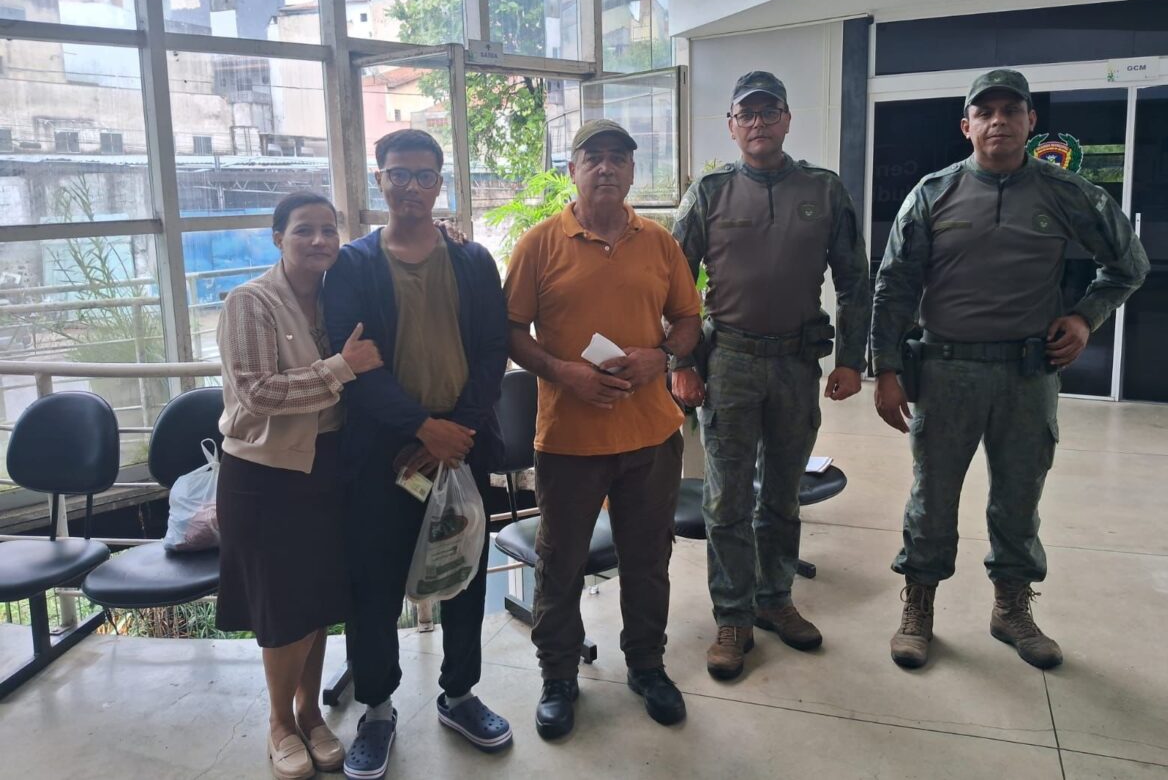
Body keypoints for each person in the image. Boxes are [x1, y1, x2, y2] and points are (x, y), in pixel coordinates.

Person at [872, 68, 1149, 670]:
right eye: (986, 111)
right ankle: (919, 605)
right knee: (931, 497)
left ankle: (1011, 608)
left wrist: (1084, 318)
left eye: (1011, 110)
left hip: (1028, 374)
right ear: (966, 125)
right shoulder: (933, 193)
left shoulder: (1066, 192)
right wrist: (885, 369)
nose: (998, 121)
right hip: (946, 372)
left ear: (1031, 121)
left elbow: (1128, 264)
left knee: (1020, 498)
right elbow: (894, 286)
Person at [322, 129, 512, 779]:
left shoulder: (472, 260)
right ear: (379, 179)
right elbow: (355, 363)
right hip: (385, 455)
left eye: (424, 175)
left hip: (462, 449)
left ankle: (459, 696)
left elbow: (493, 350)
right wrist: (422, 428)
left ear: (440, 182)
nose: (411, 186)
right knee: (373, 583)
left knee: (462, 571)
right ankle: (377, 710)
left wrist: (457, 429)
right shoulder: (354, 266)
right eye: (398, 174)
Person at [505, 118, 702, 739]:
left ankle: (647, 665)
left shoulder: (660, 243)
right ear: (573, 170)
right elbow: (509, 332)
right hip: (569, 440)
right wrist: (564, 372)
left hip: (651, 436)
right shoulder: (540, 244)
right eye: (594, 158)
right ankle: (558, 675)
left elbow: (689, 320)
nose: (607, 168)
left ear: (633, 172)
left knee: (648, 559)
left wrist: (661, 358)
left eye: (619, 158)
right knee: (559, 562)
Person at [673, 70, 871, 680]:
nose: (758, 123)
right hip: (728, 362)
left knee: (782, 494)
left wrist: (850, 360)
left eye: (769, 112)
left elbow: (855, 280)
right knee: (727, 498)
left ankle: (774, 598)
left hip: (794, 364)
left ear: (787, 120)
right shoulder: (709, 193)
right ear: (732, 126)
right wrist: (681, 362)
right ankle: (732, 616)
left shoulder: (823, 189)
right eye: (747, 114)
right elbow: (672, 283)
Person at [216, 192, 383, 780]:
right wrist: (341, 367)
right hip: (266, 475)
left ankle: (310, 713)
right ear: (277, 239)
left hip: (327, 465)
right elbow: (258, 392)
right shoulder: (250, 301)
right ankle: (279, 723)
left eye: (328, 230)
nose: (319, 241)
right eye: (303, 230)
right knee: (283, 606)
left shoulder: (337, 296)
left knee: (316, 601)